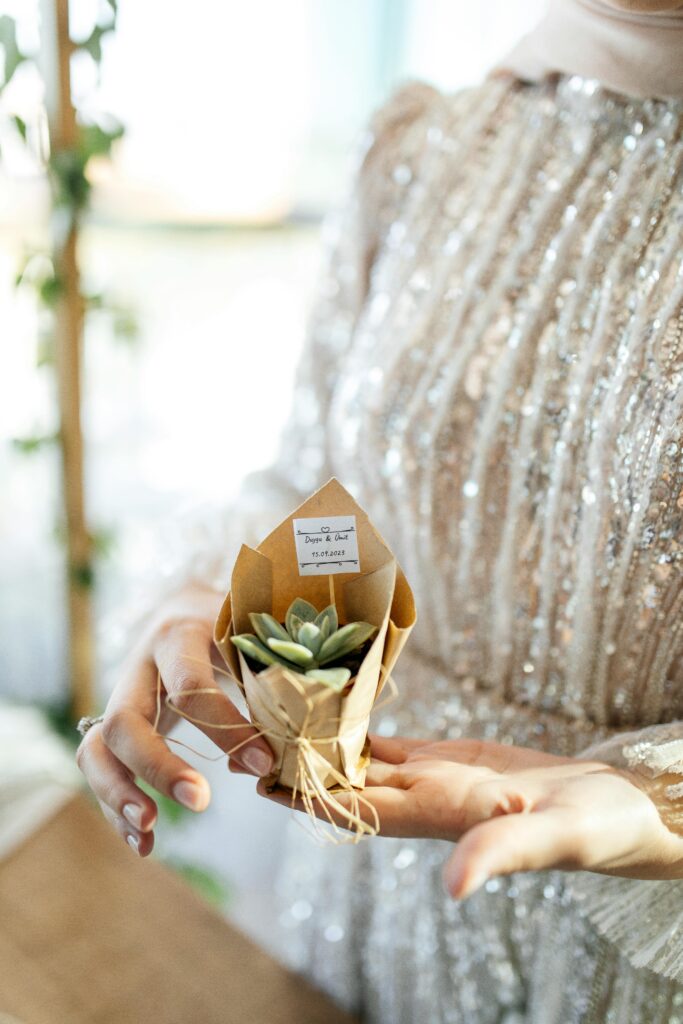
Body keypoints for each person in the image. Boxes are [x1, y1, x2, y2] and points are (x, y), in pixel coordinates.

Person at [76, 1, 683, 1019]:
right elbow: (317, 492)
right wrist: (199, 607)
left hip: (627, 953)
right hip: (361, 885)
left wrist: (657, 804)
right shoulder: (423, 149)